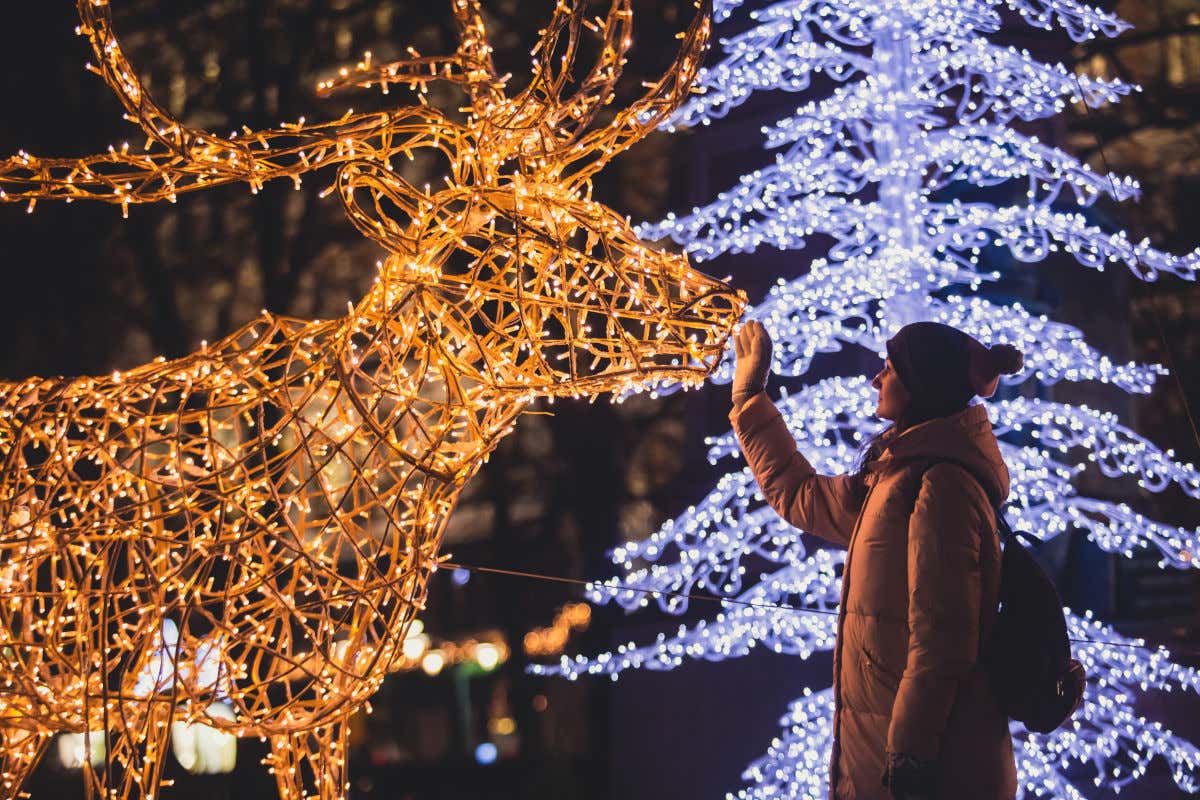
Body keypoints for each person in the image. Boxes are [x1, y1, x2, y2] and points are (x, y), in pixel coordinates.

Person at [730, 320, 1024, 800]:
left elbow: (942, 637)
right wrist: (750, 398)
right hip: (887, 760)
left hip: (925, 774)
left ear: (921, 384)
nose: (876, 379)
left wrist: (909, 756)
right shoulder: (894, 479)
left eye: (889, 369)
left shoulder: (943, 486)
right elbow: (802, 495)